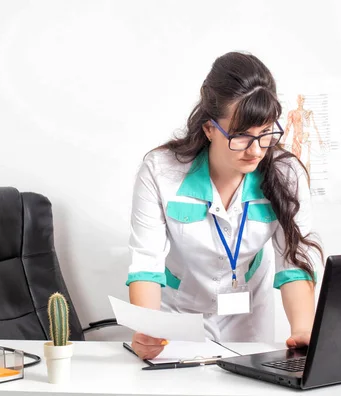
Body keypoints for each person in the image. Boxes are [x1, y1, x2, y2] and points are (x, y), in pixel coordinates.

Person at [126, 52, 323, 360]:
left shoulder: (287, 174)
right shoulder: (161, 171)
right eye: (241, 137)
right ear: (208, 128)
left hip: (248, 316)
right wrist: (147, 328)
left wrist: (304, 330)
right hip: (178, 315)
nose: (256, 150)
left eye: (266, 133)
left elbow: (294, 261)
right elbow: (146, 262)